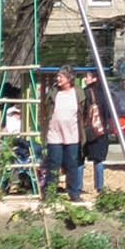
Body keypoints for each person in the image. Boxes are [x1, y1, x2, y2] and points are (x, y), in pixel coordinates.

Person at [44, 67, 85, 201]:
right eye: (58, 76)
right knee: (53, 164)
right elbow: (46, 108)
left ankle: (74, 193)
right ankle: (50, 193)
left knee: (72, 164)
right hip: (54, 134)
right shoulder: (54, 92)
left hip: (72, 134)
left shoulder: (77, 93)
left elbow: (82, 111)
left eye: (61, 76)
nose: (58, 79)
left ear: (69, 78)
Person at [79, 69, 111, 193]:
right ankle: (99, 186)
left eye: (87, 77)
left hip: (88, 129)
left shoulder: (86, 93)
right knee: (98, 160)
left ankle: (78, 186)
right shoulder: (105, 93)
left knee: (80, 159)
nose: (85, 79)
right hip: (101, 130)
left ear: (95, 78)